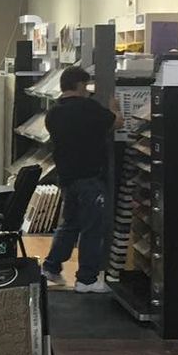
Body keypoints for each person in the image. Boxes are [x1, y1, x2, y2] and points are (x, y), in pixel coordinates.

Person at [40, 65, 115, 292]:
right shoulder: (90, 108)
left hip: (66, 177)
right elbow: (116, 123)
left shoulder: (53, 113)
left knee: (70, 223)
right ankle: (87, 279)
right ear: (81, 85)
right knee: (93, 227)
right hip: (90, 177)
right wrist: (115, 108)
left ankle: (52, 266)